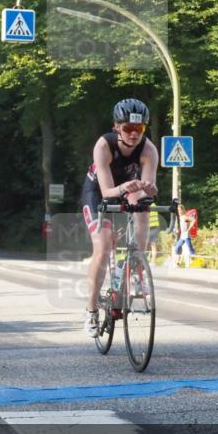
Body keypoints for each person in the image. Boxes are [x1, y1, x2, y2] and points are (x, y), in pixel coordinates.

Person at [80, 98, 159, 339]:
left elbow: (145, 188)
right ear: (117, 127)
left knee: (143, 206)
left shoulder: (149, 150)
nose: (134, 134)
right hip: (98, 192)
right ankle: (91, 311)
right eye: (128, 129)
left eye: (140, 129)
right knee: (103, 249)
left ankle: (136, 263)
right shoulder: (103, 146)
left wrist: (148, 191)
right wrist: (126, 187)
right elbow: (107, 192)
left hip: (128, 188)